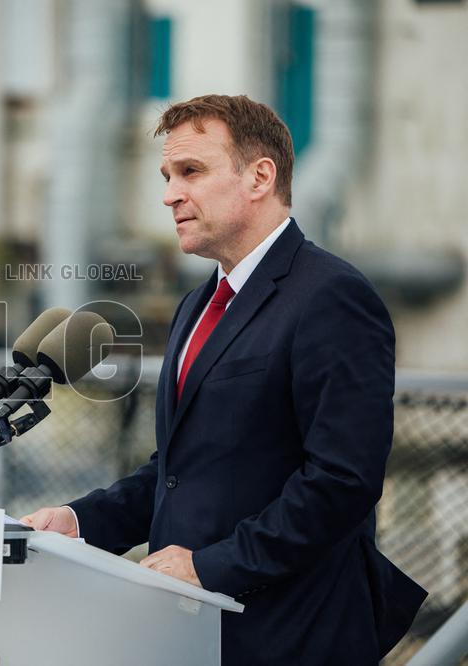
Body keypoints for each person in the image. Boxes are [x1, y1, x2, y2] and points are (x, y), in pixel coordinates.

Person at [22, 94, 426, 664]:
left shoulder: (331, 296)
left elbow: (342, 480)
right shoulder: (197, 305)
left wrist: (208, 567)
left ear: (260, 176)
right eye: (167, 175)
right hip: (192, 631)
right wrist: (83, 520)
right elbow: (180, 471)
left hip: (293, 635)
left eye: (192, 171)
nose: (169, 194)